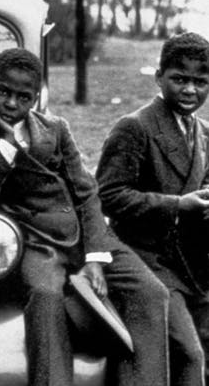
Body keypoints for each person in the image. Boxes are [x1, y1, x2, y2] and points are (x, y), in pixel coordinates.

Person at [0, 48, 169, 386]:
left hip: (81, 234)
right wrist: (7, 146)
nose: (11, 104)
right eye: (3, 92)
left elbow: (85, 192)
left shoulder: (56, 129)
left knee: (150, 293)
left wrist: (95, 256)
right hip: (34, 242)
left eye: (23, 96)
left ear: (36, 99)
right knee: (45, 297)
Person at [96, 32, 209, 385]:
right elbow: (109, 196)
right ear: (159, 77)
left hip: (191, 261)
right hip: (145, 259)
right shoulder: (135, 128)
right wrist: (177, 205)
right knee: (190, 354)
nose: (190, 90)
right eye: (179, 79)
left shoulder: (203, 132)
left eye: (200, 82)